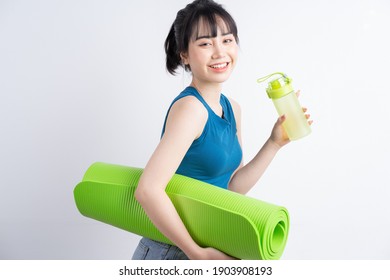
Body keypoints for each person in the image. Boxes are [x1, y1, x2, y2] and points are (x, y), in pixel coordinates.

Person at [132, 0, 311, 260]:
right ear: (184, 54)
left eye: (227, 40)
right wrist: (197, 253)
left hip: (211, 245)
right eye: (205, 43)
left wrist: (274, 143)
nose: (219, 52)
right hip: (174, 250)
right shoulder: (190, 109)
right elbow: (147, 190)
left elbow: (230, 189)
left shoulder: (233, 109)